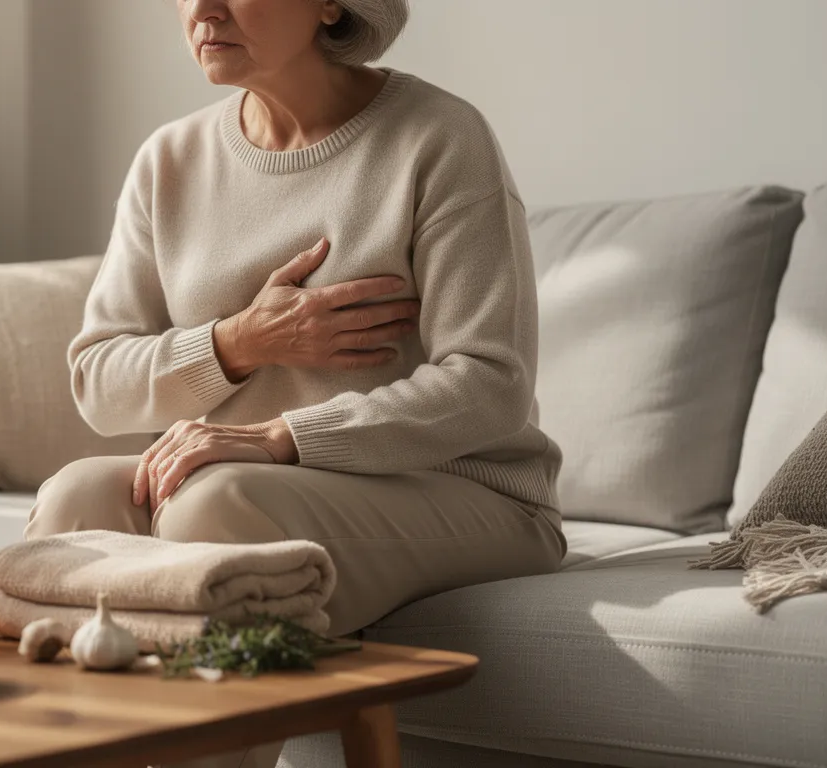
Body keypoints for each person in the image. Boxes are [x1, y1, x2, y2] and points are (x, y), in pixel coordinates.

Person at [28, 2, 566, 762]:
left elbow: (490, 383)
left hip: (472, 493)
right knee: (74, 497)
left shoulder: (439, 137)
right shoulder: (169, 160)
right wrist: (242, 343)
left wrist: (281, 438)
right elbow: (97, 379)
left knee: (215, 507)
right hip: (265, 488)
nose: (203, 10)